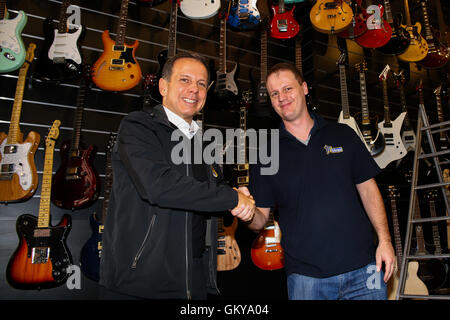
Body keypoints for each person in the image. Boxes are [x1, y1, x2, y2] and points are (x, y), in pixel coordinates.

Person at [99, 52, 255, 300]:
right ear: (163, 86)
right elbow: (159, 186)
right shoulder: (138, 126)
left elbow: (214, 190)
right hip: (141, 279)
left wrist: (237, 196)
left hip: (193, 275)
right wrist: (231, 199)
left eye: (201, 84)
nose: (194, 89)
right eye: (185, 80)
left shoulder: (204, 143)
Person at [246, 62, 396, 300]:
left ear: (304, 88)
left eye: (287, 89)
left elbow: (369, 191)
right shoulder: (268, 153)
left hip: (364, 270)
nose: (282, 97)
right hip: (306, 280)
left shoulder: (343, 134)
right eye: (274, 93)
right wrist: (245, 210)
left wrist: (385, 242)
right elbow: (259, 220)